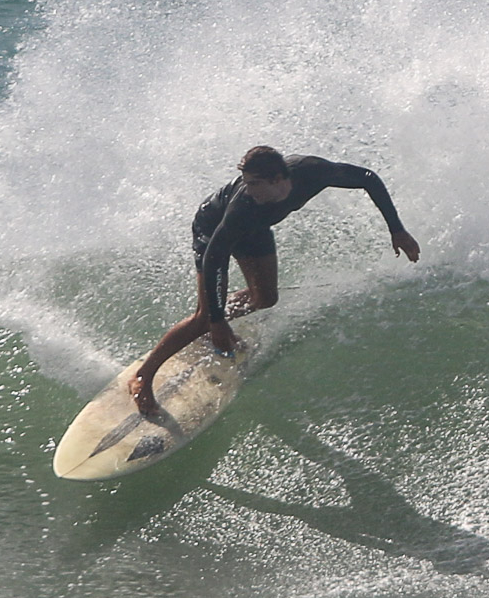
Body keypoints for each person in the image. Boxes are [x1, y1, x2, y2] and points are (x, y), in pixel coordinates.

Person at [128, 145, 420, 415]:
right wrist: (216, 320)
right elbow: (214, 258)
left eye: (254, 183)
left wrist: (397, 230)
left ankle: (216, 317)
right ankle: (144, 374)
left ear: (278, 178)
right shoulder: (242, 206)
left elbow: (367, 177)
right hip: (213, 228)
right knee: (205, 316)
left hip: (255, 229)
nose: (247, 187)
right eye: (245, 181)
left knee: (266, 298)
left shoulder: (312, 171)